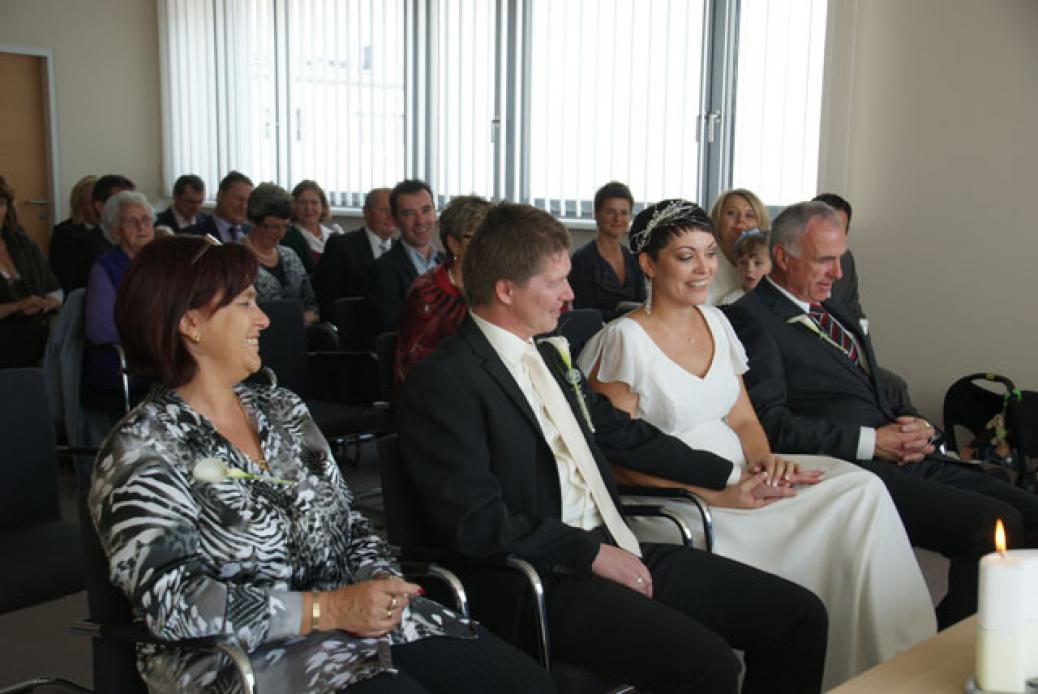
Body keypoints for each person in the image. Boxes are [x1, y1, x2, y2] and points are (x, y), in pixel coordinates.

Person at [89, 234, 555, 694]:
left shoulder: (282, 411)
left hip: (358, 625)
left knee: (528, 685)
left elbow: (350, 524)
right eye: (246, 304)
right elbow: (172, 604)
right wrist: (327, 610)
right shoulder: (142, 449)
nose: (265, 320)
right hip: (243, 660)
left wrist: (379, 582)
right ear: (191, 322)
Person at [399, 201, 828, 694]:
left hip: (614, 542)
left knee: (799, 617)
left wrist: (732, 476)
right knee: (709, 665)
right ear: (505, 290)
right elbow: (474, 522)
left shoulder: (549, 355)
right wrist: (589, 555)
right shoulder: (446, 381)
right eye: (556, 281)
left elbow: (625, 434)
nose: (571, 293)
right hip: (539, 577)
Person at [577, 199, 935, 688]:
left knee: (861, 488)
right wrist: (719, 492)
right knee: (844, 505)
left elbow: (744, 418)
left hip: (741, 470)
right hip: (680, 498)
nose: (704, 268)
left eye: (708, 254)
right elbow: (614, 461)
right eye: (686, 257)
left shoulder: (718, 323)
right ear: (648, 264)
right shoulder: (624, 342)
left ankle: (883, 663)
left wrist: (766, 462)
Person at [724, 200, 1038, 630]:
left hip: (906, 456)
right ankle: (943, 655)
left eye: (841, 259)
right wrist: (876, 441)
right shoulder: (748, 319)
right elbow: (771, 425)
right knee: (988, 527)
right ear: (782, 257)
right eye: (825, 260)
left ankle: (1013, 638)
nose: (837, 273)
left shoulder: (833, 310)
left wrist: (916, 424)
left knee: (1031, 512)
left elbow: (878, 389)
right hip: (854, 469)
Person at [395, 195, 490, 384]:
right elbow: (418, 369)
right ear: (454, 244)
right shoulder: (428, 295)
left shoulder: (496, 285)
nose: (492, 247)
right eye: (481, 239)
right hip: (439, 394)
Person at [83, 190, 156, 394]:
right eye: (132, 222)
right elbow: (99, 330)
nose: (142, 228)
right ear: (115, 231)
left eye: (146, 220)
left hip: (158, 354)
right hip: (122, 360)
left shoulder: (159, 263)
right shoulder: (104, 267)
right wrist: (153, 330)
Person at [364, 180, 444, 336]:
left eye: (426, 210)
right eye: (409, 213)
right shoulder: (382, 271)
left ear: (435, 212)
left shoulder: (447, 262)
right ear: (395, 220)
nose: (420, 220)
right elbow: (395, 332)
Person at [0, 175, 62, 368]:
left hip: (35, 338)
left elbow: (56, 291)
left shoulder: (22, 243)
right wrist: (17, 306)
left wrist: (47, 303)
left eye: (1, 204)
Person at [242, 183, 320, 324]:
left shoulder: (290, 256)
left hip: (296, 336)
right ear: (253, 221)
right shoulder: (234, 259)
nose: (281, 234)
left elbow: (311, 303)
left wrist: (307, 317)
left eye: (285, 226)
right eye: (273, 227)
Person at [568, 181, 646, 320]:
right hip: (598, 337)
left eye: (624, 213)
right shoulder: (582, 260)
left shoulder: (633, 259)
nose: (618, 219)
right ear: (596, 214)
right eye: (610, 212)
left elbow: (643, 304)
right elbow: (585, 314)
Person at [315, 187, 397, 314]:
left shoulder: (401, 249)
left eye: (394, 211)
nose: (390, 216)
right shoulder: (341, 246)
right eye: (384, 210)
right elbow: (327, 299)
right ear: (366, 212)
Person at [708, 188, 769, 305]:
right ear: (717, 220)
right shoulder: (705, 262)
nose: (741, 220)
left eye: (750, 215)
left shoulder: (772, 264)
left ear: (761, 223)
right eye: (731, 213)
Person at [49, 174, 107, 294]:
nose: (98, 209)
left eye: (102, 202)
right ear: (79, 206)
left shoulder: (114, 229)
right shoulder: (64, 233)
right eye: (91, 203)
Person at [282, 179, 343, 273]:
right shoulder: (288, 237)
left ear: (323, 207)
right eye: (303, 203)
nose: (309, 208)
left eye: (314, 203)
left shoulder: (334, 234)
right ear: (294, 206)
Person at [187, 170, 253, 242]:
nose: (244, 206)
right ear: (220, 195)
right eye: (239, 198)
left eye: (248, 201)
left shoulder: (255, 235)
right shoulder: (192, 236)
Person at [718, 229, 771, 305]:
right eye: (743, 263)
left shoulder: (781, 298)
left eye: (758, 263)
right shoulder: (730, 302)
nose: (749, 269)